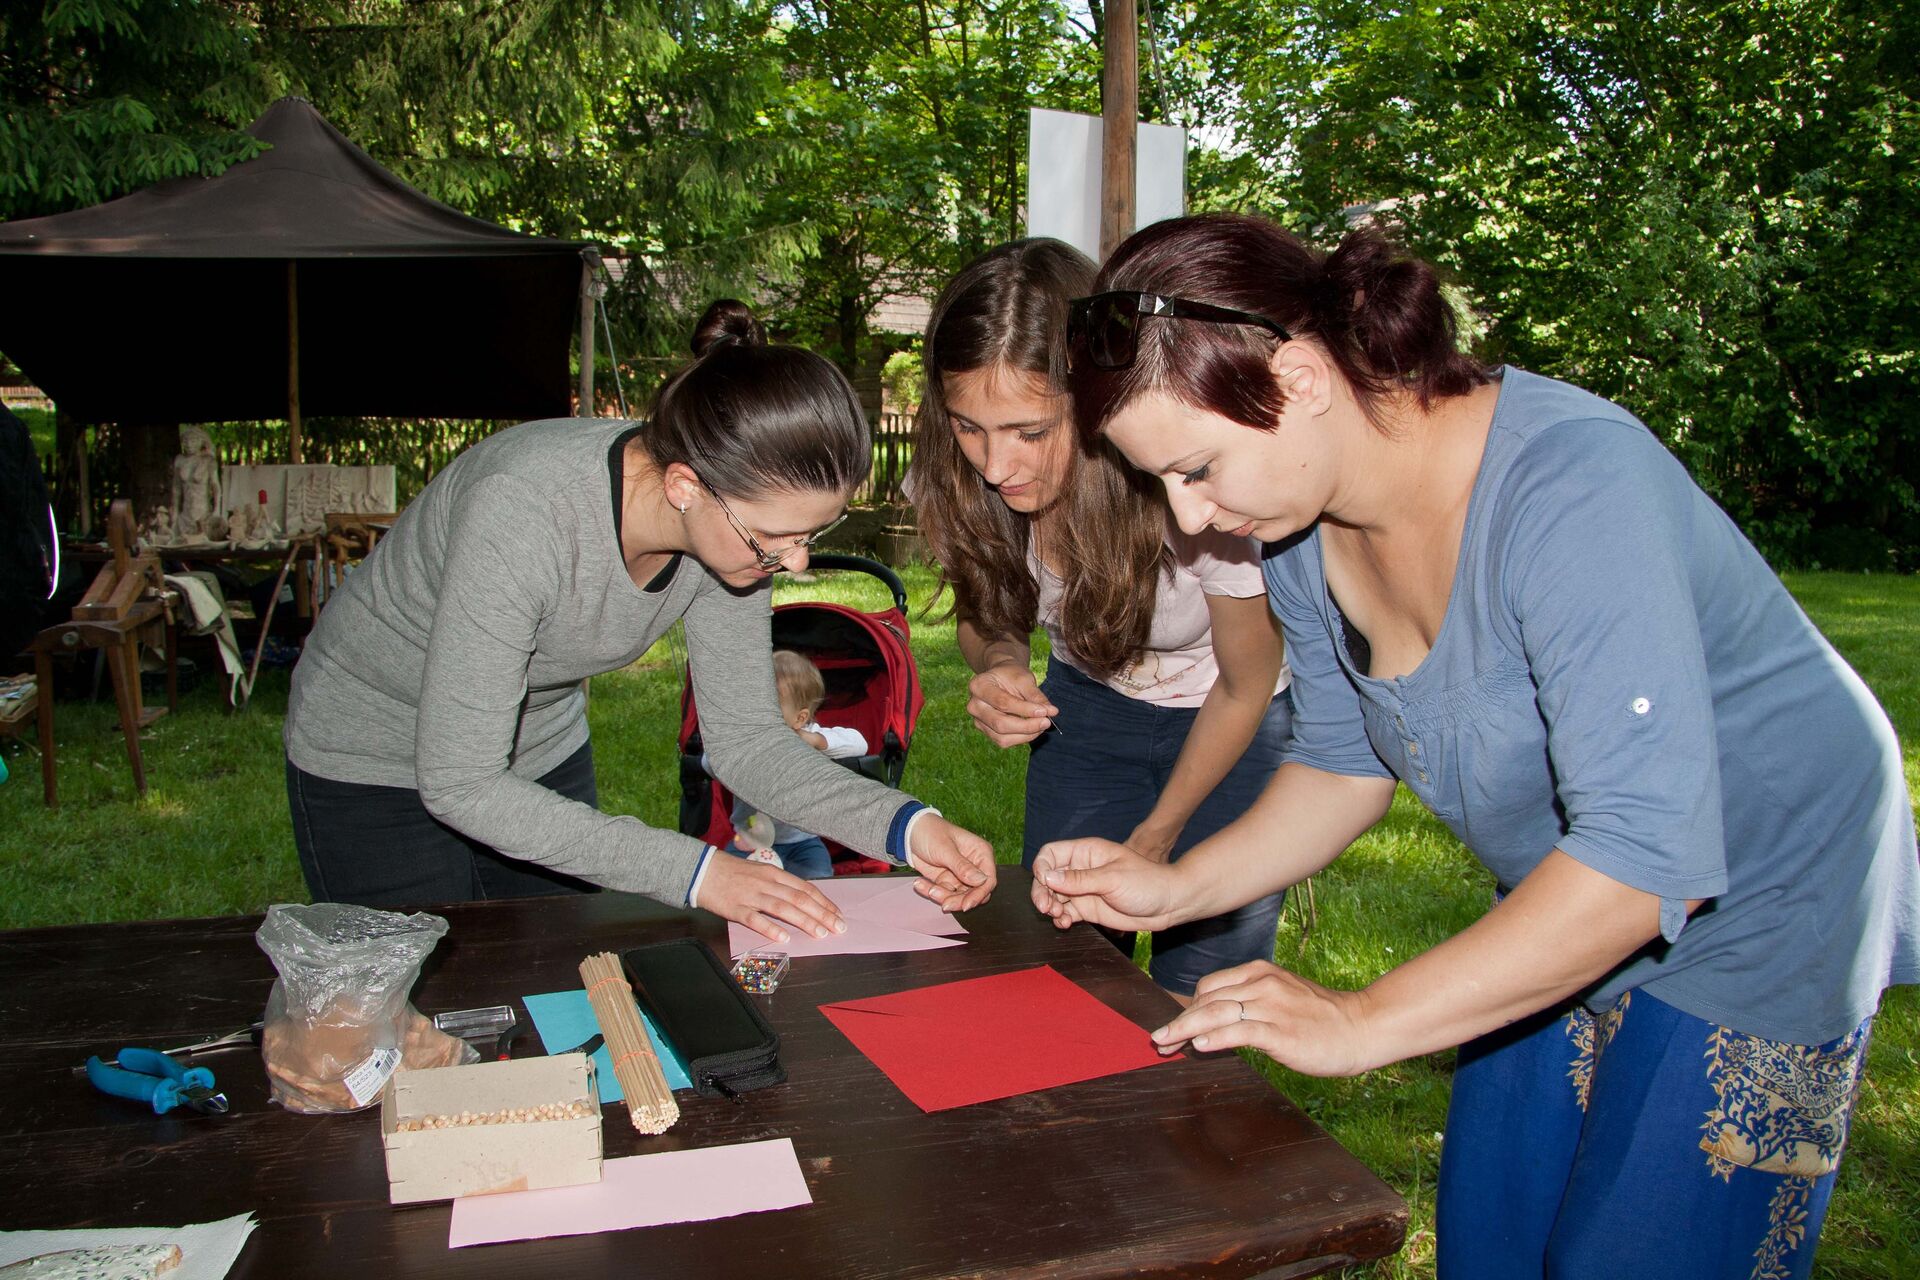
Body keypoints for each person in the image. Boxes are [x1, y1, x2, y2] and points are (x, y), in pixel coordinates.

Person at [1033, 212, 1919, 1278]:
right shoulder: (1299, 532)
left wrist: (1362, 1019)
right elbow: (1342, 764)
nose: (1188, 518)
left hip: (1768, 883)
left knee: (1643, 1247)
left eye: (1198, 467)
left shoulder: (1574, 486)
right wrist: (1176, 886)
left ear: (1300, 378)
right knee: (1498, 1229)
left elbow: (1646, 861)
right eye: (1163, 483)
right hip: (1578, 868)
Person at [284, 300, 996, 942]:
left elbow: (748, 740)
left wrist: (907, 826)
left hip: (537, 745)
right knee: (411, 995)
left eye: (810, 535)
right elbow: (462, 782)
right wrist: (699, 873)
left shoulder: (729, 536)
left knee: (551, 969)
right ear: (684, 485)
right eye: (773, 539)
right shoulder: (524, 513)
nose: (796, 563)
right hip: (375, 751)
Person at [911, 239, 1291, 1000]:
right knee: (1066, 962)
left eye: (1030, 432)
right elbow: (988, 610)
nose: (995, 466)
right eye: (968, 426)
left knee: (1204, 984)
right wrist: (1001, 664)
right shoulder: (964, 479)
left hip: (1228, 722)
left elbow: (1245, 685)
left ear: (1094, 402)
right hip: (1085, 713)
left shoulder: (1188, 489)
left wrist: (1156, 836)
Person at [711, 649, 867, 879]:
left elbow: (860, 744)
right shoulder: (745, 740)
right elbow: (709, 762)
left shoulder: (808, 737)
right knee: (729, 878)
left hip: (802, 842)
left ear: (799, 718)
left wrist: (816, 741)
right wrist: (737, 754)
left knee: (820, 876)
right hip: (749, 839)